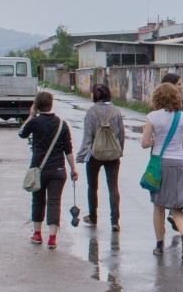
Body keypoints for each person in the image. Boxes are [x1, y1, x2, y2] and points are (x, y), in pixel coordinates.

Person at [17, 90, 78, 249]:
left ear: (36, 106)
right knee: (54, 202)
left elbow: (21, 134)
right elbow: (68, 149)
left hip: (39, 169)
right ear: (51, 104)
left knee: (38, 201)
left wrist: (31, 115)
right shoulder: (61, 124)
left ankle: (37, 234)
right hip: (58, 170)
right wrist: (73, 169)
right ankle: (52, 238)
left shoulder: (34, 122)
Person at [141, 82, 183, 261]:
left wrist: (156, 140)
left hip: (161, 164)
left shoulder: (153, 117)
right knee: (176, 205)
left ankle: (159, 245)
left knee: (159, 205)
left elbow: (145, 142)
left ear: (157, 98)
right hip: (179, 164)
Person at [79, 84, 126, 231]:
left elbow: (87, 137)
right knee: (113, 187)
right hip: (113, 154)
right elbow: (121, 133)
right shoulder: (116, 111)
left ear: (95, 95)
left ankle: (93, 217)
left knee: (92, 186)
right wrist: (120, 150)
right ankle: (114, 221)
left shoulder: (91, 112)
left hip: (95, 154)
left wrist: (82, 156)